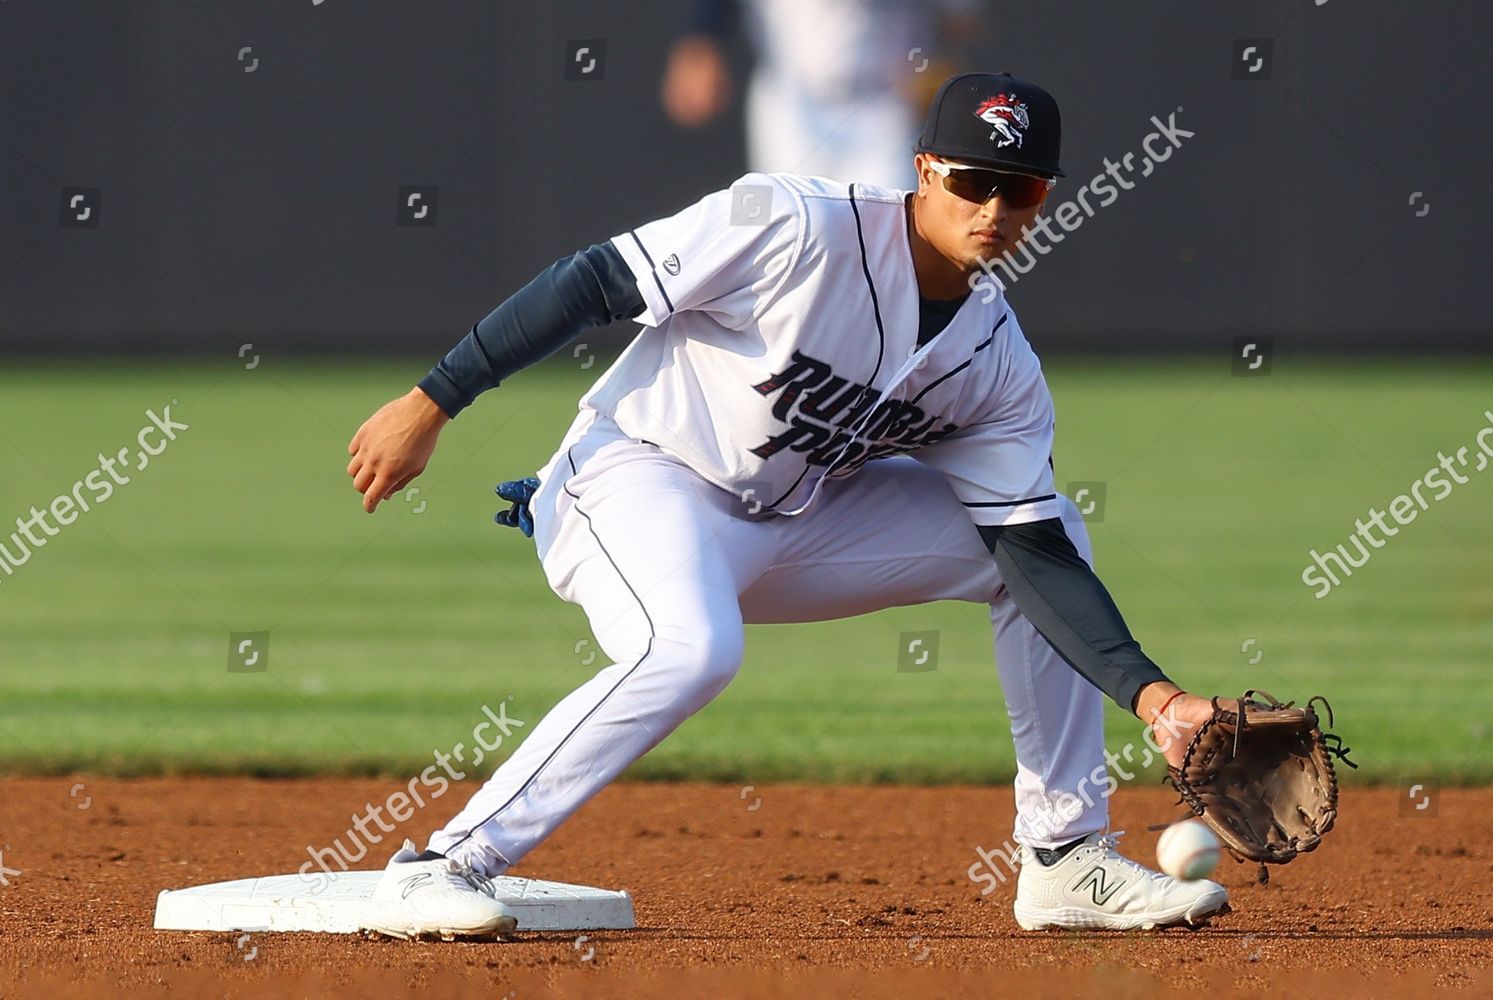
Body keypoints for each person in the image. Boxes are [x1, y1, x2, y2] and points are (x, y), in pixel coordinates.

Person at [346, 73, 1229, 940]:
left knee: (1047, 529)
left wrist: (1156, 700)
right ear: (925, 171)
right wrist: (431, 403)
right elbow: (593, 282)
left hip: (789, 523)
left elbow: (1031, 552)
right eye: (972, 180)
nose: (993, 208)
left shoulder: (996, 362)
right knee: (690, 651)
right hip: (634, 476)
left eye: (1021, 188)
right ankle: (441, 864)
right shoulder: (797, 224)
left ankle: (1064, 857)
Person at [661, 0, 981, 189]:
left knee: (883, 240)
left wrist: (934, 60)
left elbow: (960, 21)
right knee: (783, 241)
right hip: (790, 102)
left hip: (884, 109)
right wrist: (700, 41)